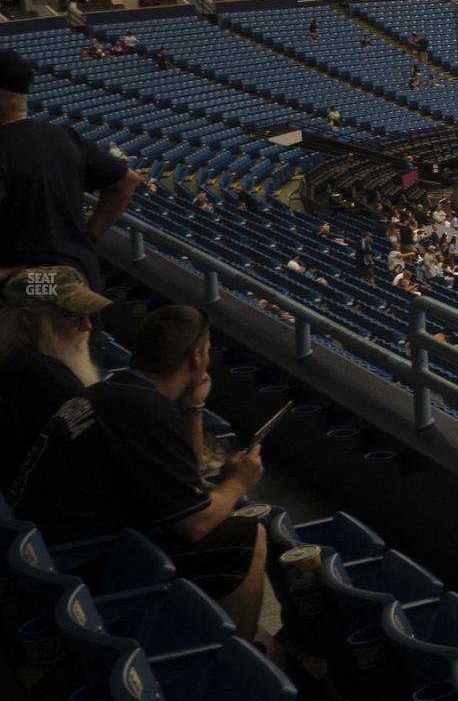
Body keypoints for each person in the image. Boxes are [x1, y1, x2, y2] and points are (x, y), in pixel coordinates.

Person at [8, 308, 270, 635]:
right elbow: (195, 524)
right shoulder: (145, 410)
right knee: (249, 535)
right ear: (197, 357)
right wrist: (238, 480)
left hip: (49, 549)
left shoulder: (116, 390)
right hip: (81, 564)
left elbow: (188, 478)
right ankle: (241, 655)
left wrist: (193, 407)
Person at [0, 49, 141, 284]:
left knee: (39, 318)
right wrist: (89, 236)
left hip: (32, 290)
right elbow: (128, 181)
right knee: (80, 321)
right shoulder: (63, 135)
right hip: (78, 276)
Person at [0, 266, 110, 484]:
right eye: (74, 317)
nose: (88, 326)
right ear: (29, 319)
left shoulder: (16, 361)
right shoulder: (47, 379)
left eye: (88, 316)